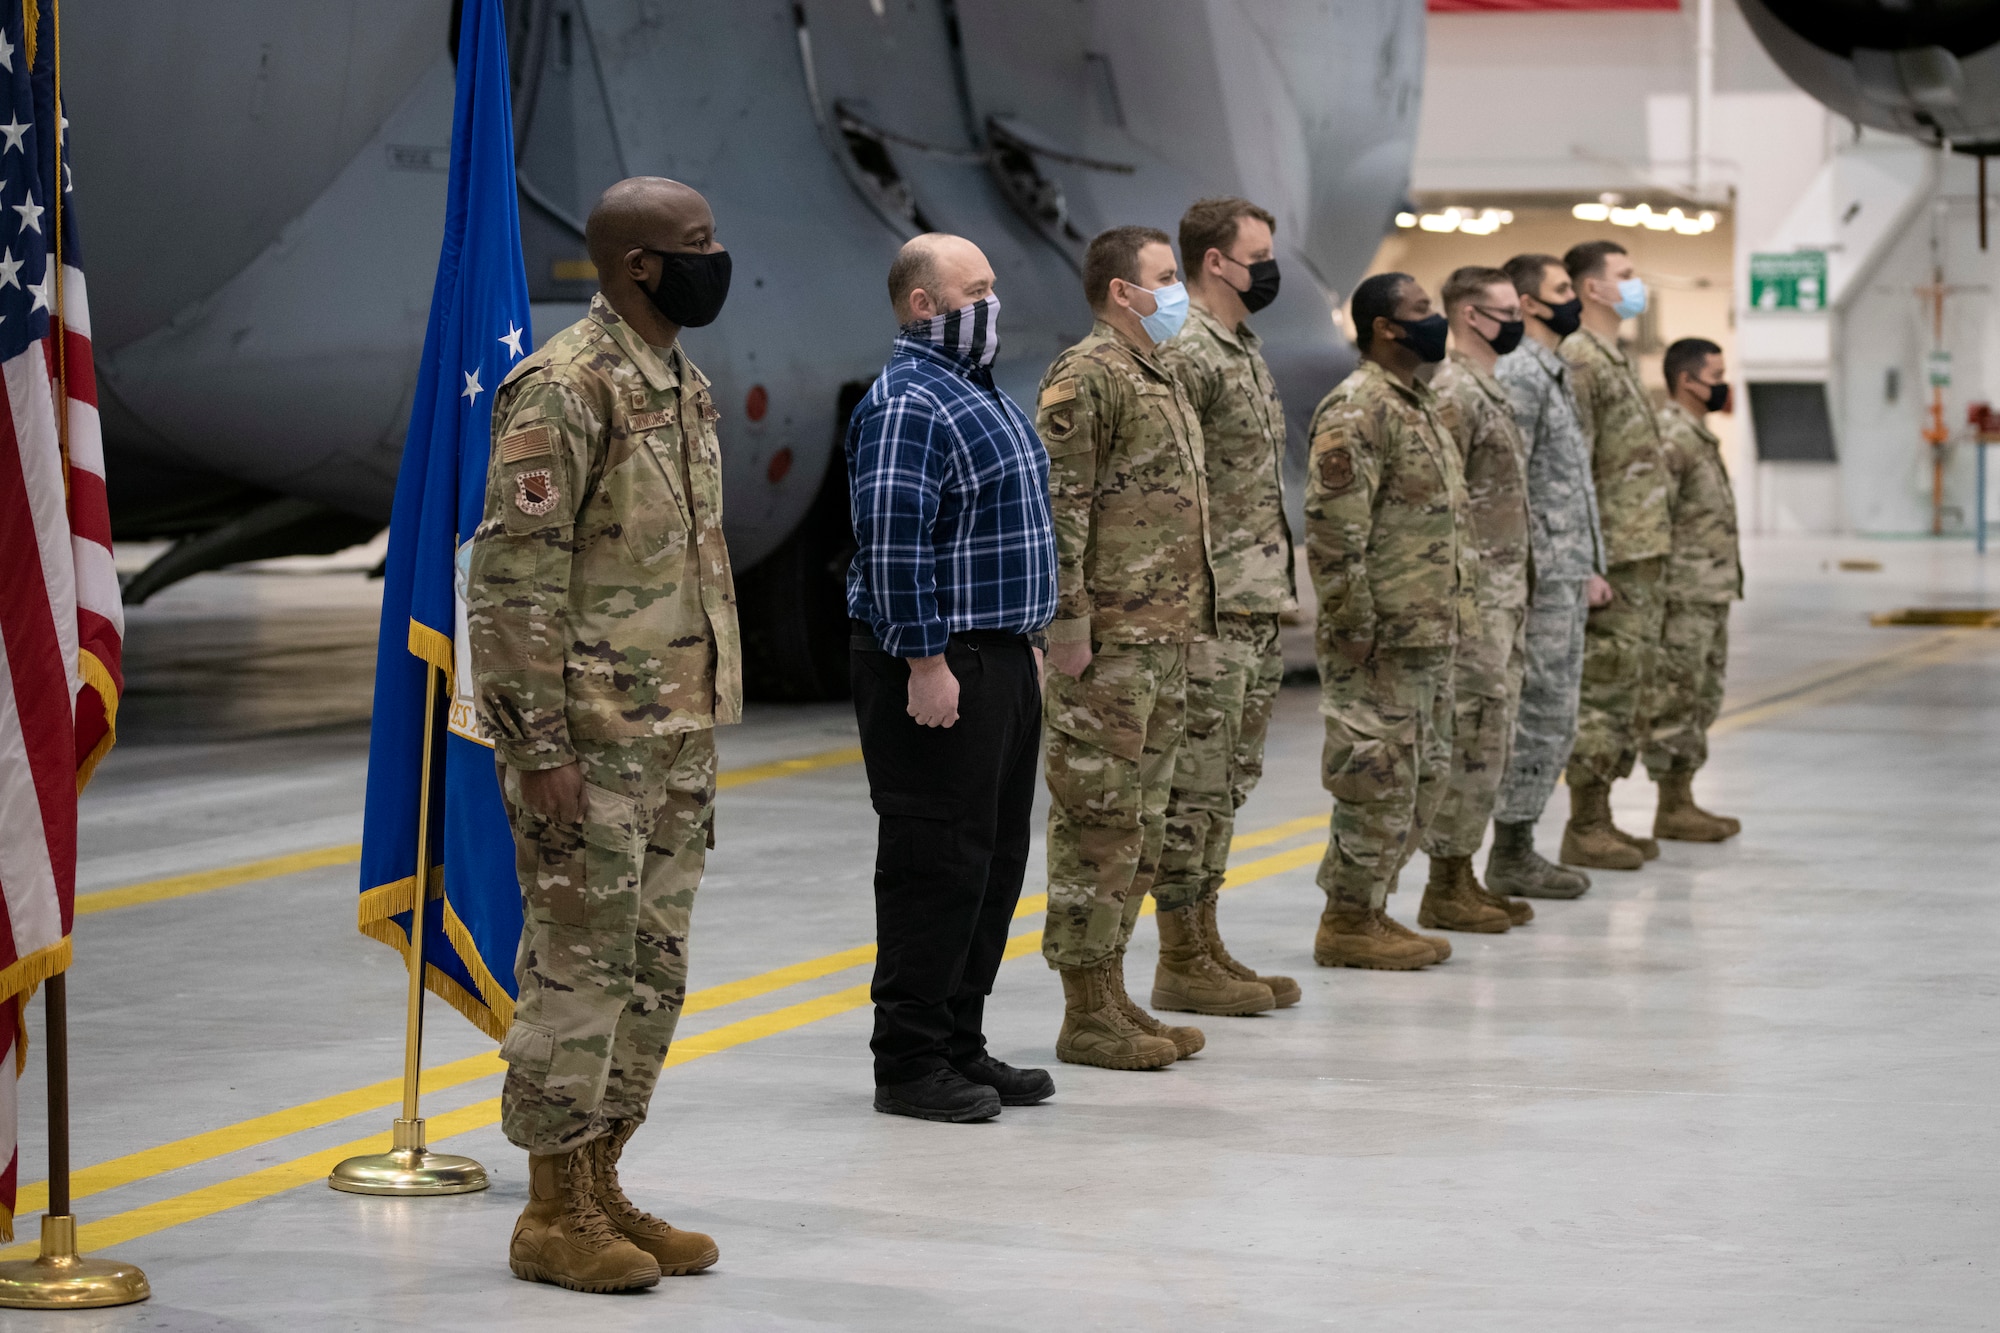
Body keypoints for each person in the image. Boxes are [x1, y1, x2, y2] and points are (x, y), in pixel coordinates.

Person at [468, 176, 735, 1293]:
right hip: (588, 739)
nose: (713, 257)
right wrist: (539, 749)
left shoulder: (680, 382)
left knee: (651, 971)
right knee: (578, 971)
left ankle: (602, 1177)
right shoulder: (563, 388)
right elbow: (512, 583)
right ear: (636, 264)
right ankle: (547, 1212)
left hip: (671, 732)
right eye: (695, 242)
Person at [846, 233, 1060, 1124]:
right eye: (977, 290)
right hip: (939, 658)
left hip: (999, 654)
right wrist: (927, 660)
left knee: (991, 863)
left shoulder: (974, 391)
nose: (994, 303)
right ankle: (907, 1061)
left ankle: (957, 1039)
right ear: (925, 306)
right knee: (935, 864)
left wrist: (1028, 646)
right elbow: (894, 548)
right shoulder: (906, 402)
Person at [1037, 224, 1224, 1070]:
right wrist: (1068, 624)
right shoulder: (1086, 377)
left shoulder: (1160, 373)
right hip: (1107, 647)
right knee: (1098, 824)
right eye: (1165, 276)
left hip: (1162, 638)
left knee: (1141, 825)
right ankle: (1084, 1010)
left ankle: (1115, 992)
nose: (1177, 289)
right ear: (1123, 291)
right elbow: (1062, 508)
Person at [1150, 197, 1298, 1014]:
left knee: (1229, 779)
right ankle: (1179, 955)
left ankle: (1205, 939)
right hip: (1207, 606)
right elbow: (1171, 484)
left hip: (1252, 600)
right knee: (1195, 784)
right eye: (1259, 253)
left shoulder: (1241, 347)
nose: (1268, 267)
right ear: (1217, 261)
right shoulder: (1191, 352)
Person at [1305, 272, 1476, 970]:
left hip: (1427, 629)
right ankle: (1347, 917)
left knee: (1421, 776)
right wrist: (1353, 622)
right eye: (1421, 312)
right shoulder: (1357, 408)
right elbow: (1333, 529)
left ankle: (1372, 907)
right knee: (1374, 774)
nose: (1433, 322)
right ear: (1385, 327)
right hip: (1379, 636)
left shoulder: (1419, 403)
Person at [1487, 253, 1610, 899]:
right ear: (1530, 303)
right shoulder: (1523, 376)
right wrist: (1534, 571)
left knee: (1555, 711)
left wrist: (1587, 563)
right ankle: (1510, 850)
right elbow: (1515, 483)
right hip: (1539, 577)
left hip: (1563, 572)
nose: (1574, 300)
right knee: (1537, 711)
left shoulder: (1552, 371)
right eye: (1563, 290)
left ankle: (1520, 842)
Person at [1416, 266, 1534, 934]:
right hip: (1474, 597)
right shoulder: (1456, 391)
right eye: (1504, 310)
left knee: (1493, 738)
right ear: (1466, 314)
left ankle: (1464, 873)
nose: (1516, 320)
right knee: (1472, 737)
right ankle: (1446, 881)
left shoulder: (1489, 386)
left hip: (1503, 594)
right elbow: (1442, 497)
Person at [1557, 240, 1672, 872]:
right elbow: (1577, 469)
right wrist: (1587, 563)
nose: (1636, 286)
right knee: (1601, 692)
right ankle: (1586, 822)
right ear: (1592, 288)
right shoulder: (1581, 359)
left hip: (1639, 551)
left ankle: (1600, 815)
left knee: (1627, 688)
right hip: (1614, 556)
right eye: (1625, 276)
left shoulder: (1614, 356)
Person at [1644, 337, 1743, 841]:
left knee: (1701, 696)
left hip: (1708, 591)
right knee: (1676, 698)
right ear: (1687, 381)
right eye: (1717, 375)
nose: (1724, 385)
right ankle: (1672, 803)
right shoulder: (1672, 439)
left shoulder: (1698, 436)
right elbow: (1653, 519)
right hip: (1681, 594)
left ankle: (1682, 798)